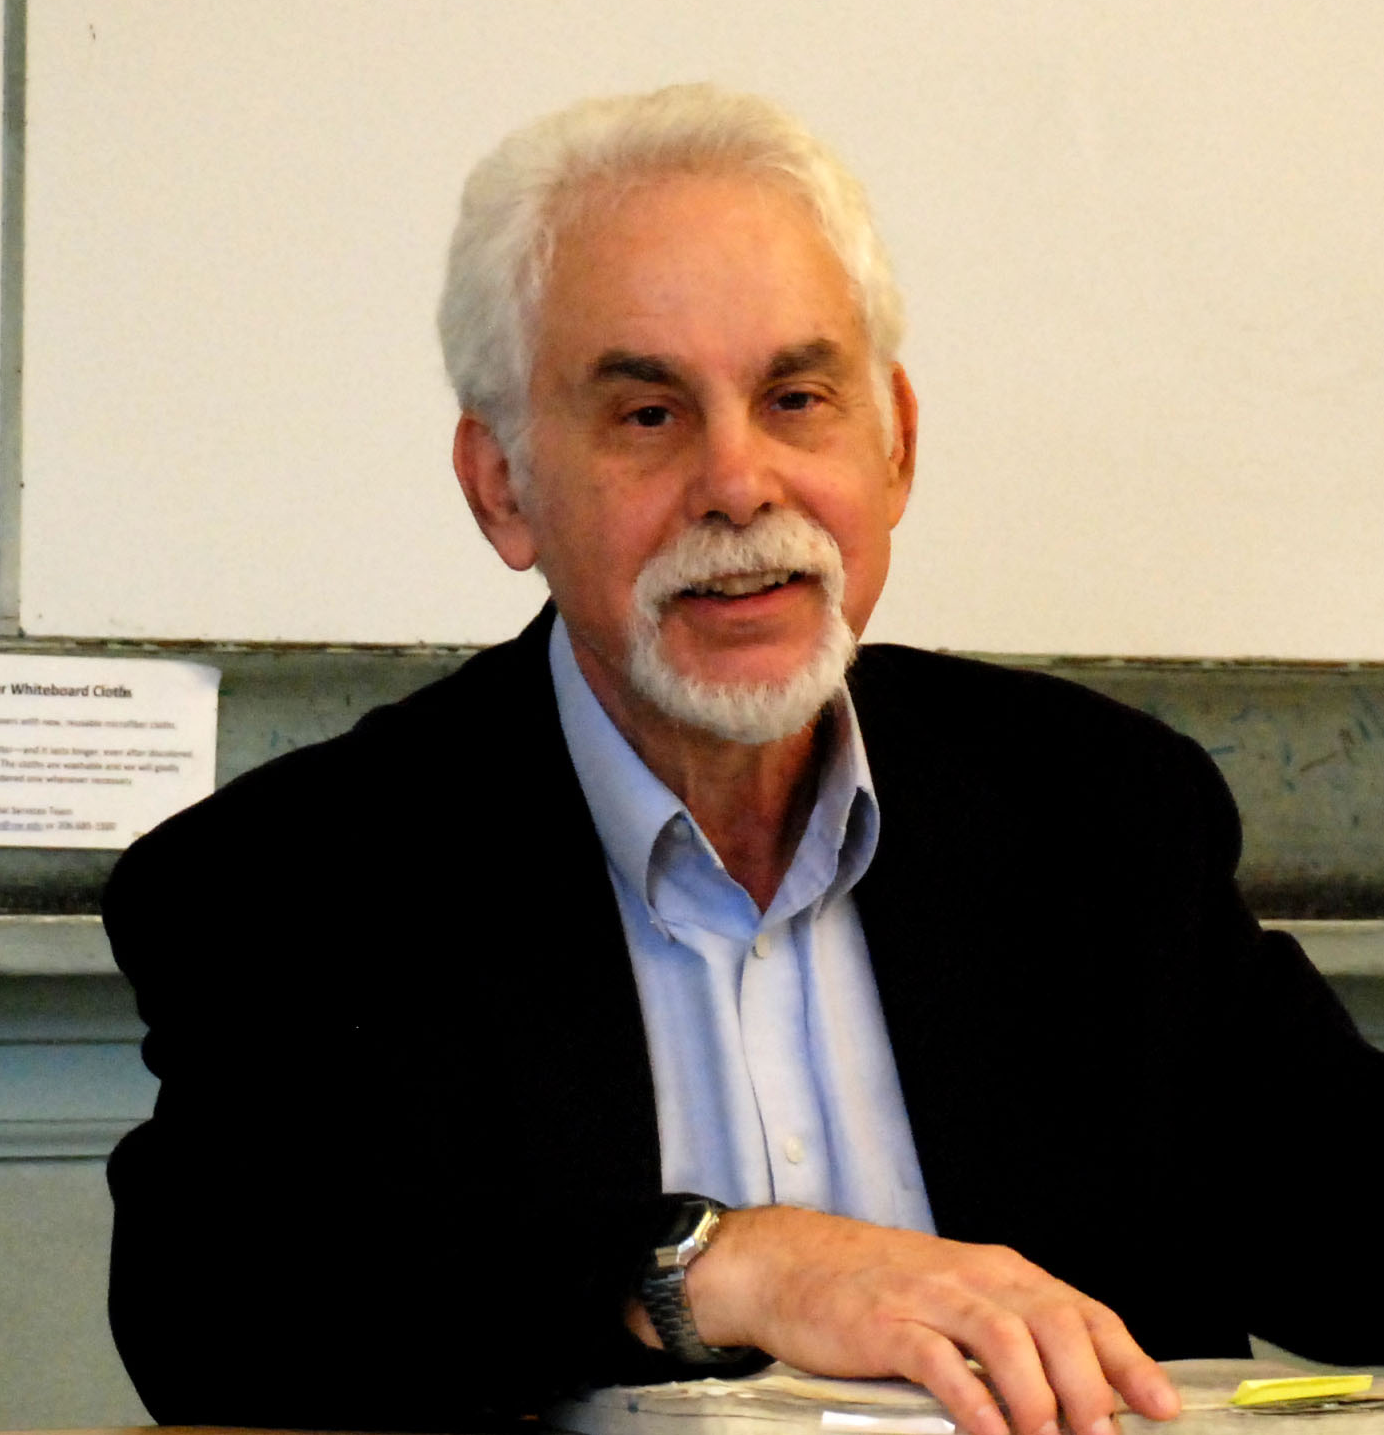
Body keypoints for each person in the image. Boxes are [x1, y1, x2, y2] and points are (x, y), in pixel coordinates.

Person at [104, 84, 1384, 1435]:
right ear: (503, 487)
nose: (738, 481)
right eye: (648, 415)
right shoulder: (299, 875)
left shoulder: (1100, 816)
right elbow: (221, 1322)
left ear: (893, 443)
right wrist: (714, 1266)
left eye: (795, 397)